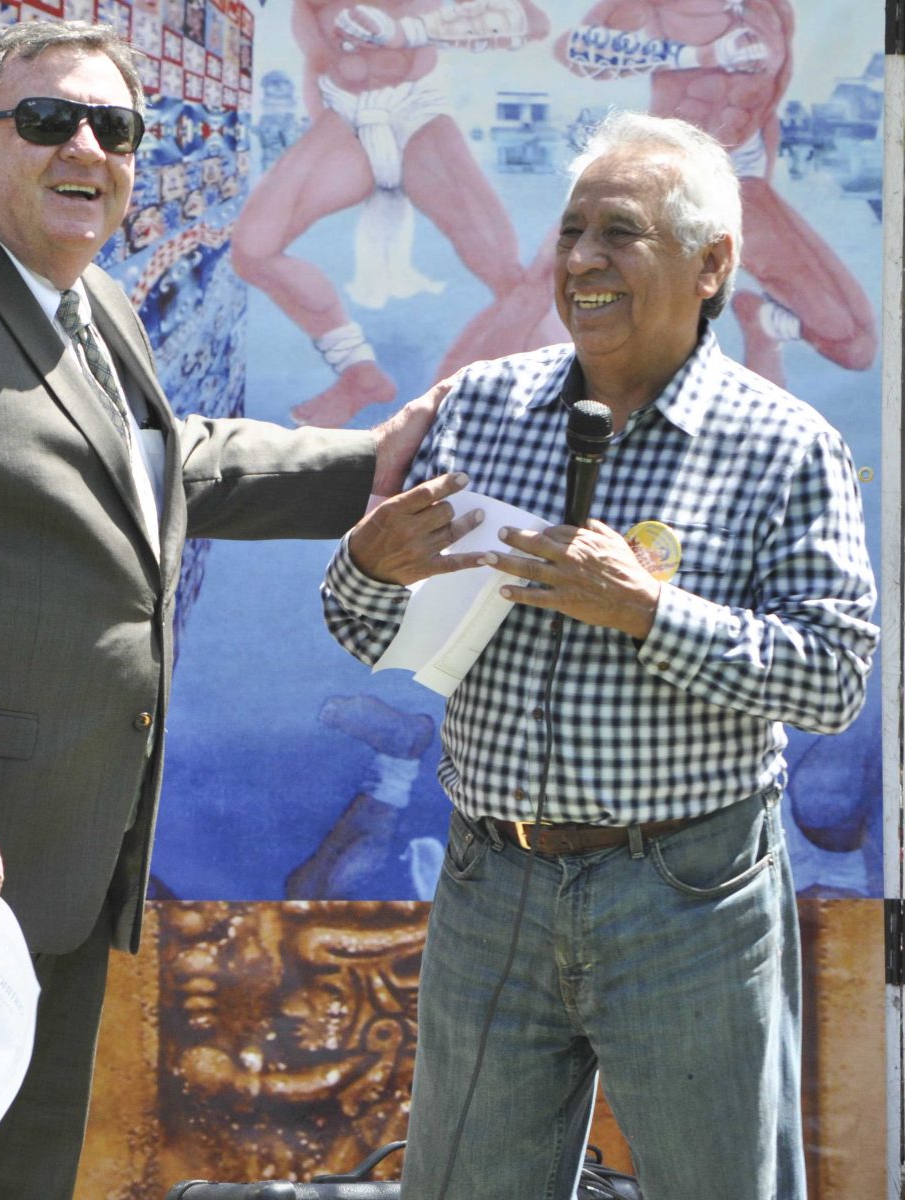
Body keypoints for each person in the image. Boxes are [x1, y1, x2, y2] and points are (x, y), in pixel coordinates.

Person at [0, 20, 477, 1200]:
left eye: (114, 127)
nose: (88, 145)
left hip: (50, 885)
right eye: (46, 120)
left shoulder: (95, 307)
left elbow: (171, 468)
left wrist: (372, 462)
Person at [321, 110, 878, 1199]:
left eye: (618, 233)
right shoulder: (481, 409)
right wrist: (371, 570)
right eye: (572, 231)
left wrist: (649, 613)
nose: (579, 261)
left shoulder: (785, 444)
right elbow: (366, 632)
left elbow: (833, 676)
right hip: (493, 883)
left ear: (712, 263)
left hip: (689, 893)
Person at [229, 0, 550, 428]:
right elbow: (317, 61)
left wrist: (412, 31)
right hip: (346, 115)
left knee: (511, 278)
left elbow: (534, 21)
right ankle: (360, 374)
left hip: (418, 112)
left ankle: (473, 411)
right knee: (253, 250)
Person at [553, 0, 877, 388]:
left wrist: (752, 187)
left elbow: (765, 107)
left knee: (857, 347)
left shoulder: (772, 10)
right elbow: (576, 49)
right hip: (667, 188)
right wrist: (697, 56)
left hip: (741, 182)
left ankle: (762, 327)